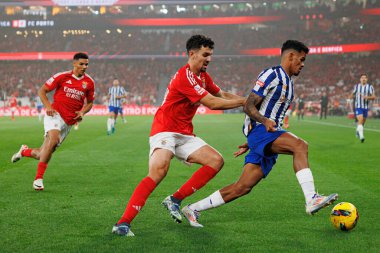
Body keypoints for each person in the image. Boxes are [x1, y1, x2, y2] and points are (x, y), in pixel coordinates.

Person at [180, 40, 338, 228]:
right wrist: (260, 127)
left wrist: (250, 141)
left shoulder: (289, 82)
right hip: (263, 133)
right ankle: (312, 198)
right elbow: (248, 105)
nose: (302, 64)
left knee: (242, 187)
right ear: (290, 56)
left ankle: (192, 208)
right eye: (301, 59)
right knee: (300, 145)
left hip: (265, 136)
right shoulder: (272, 75)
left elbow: (269, 114)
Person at [112, 35, 246, 236]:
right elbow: (213, 103)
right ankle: (123, 223)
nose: (209, 59)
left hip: (184, 133)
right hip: (165, 128)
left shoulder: (202, 76)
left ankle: (174, 200)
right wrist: (247, 103)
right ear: (192, 54)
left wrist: (249, 99)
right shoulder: (185, 76)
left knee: (216, 161)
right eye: (205, 55)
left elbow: (222, 95)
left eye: (210, 55)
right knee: (159, 171)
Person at [11, 52, 95, 190]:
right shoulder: (62, 76)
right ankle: (38, 179)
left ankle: (24, 151)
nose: (84, 66)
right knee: (53, 140)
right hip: (55, 114)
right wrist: (48, 106)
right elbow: (42, 91)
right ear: (74, 63)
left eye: (86, 64)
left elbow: (90, 103)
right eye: (81, 64)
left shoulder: (89, 82)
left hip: (69, 121)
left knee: (43, 152)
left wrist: (82, 112)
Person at [348, 74, 376, 143]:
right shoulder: (357, 86)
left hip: (365, 107)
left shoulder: (370, 87)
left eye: (365, 78)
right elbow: (352, 94)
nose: (363, 79)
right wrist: (348, 100)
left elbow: (373, 97)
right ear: (360, 79)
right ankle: (361, 136)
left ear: (367, 79)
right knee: (360, 120)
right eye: (362, 78)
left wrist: (367, 97)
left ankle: (358, 131)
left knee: (362, 122)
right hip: (358, 107)